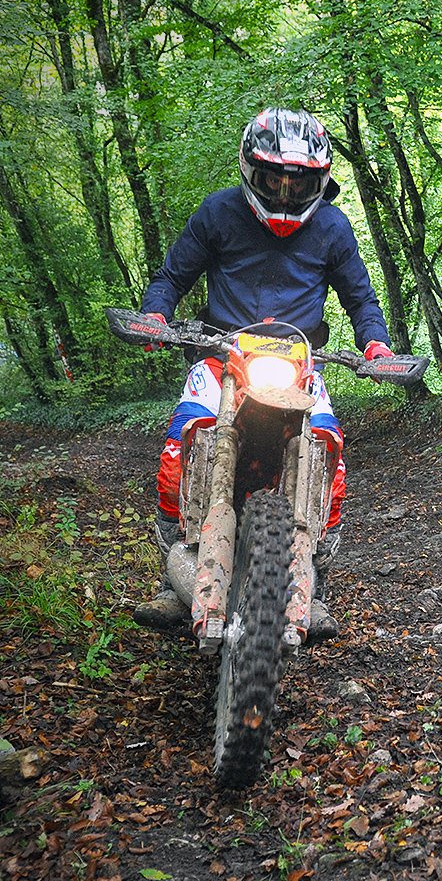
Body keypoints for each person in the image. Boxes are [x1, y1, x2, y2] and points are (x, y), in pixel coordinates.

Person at [132, 107, 395, 643]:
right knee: (183, 440)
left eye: (298, 182)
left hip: (299, 361)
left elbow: (361, 297)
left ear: (319, 181)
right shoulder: (219, 212)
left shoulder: (332, 226)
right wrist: (155, 315)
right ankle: (174, 573)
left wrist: (376, 344)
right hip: (220, 353)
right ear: (251, 170)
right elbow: (172, 276)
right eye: (274, 178)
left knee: (327, 446)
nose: (285, 192)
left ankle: (312, 581)